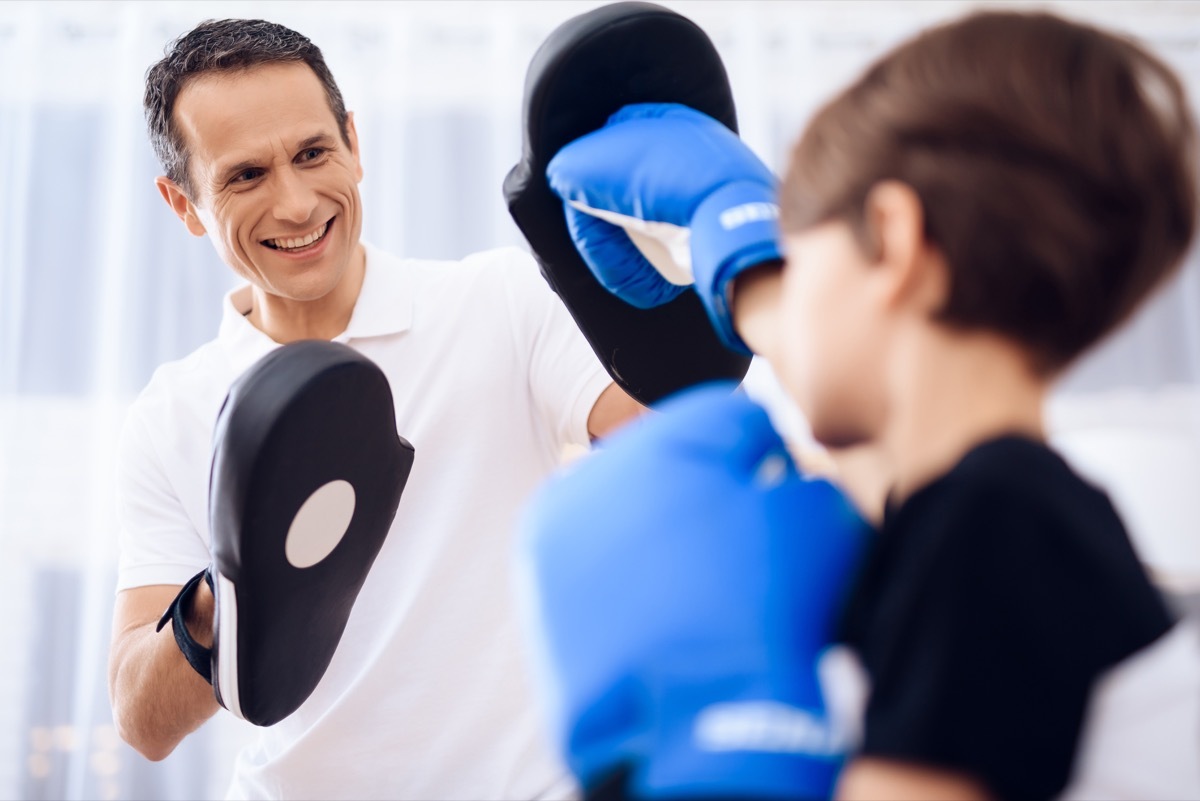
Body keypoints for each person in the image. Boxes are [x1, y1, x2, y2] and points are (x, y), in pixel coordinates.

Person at [522, 8, 1200, 800]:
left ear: (893, 236)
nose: (790, 279)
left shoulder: (997, 521)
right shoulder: (993, 509)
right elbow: (854, 384)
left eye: (801, 251)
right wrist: (742, 258)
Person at [106, 18, 643, 799]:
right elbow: (140, 722)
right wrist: (234, 583)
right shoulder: (173, 413)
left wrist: (666, 286)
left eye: (313, 153)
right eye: (245, 175)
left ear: (354, 143)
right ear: (183, 203)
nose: (295, 203)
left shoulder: (498, 301)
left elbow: (678, 442)